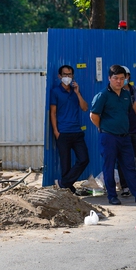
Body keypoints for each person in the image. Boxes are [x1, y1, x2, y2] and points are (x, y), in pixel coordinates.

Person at [89, 64, 136, 206]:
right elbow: (94, 115)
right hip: (109, 137)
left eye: (122, 78)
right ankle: (112, 196)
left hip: (125, 137)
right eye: (115, 78)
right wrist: (101, 127)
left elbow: (127, 113)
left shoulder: (126, 95)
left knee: (129, 166)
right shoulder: (103, 96)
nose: (119, 81)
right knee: (109, 167)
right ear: (109, 78)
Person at [49, 65, 90, 193]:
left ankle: (63, 183)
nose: (67, 77)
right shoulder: (55, 91)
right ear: (59, 76)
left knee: (84, 159)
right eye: (65, 75)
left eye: (70, 74)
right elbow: (53, 113)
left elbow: (84, 108)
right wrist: (56, 131)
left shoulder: (75, 91)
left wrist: (77, 93)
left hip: (76, 131)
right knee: (65, 164)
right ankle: (68, 188)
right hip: (63, 132)